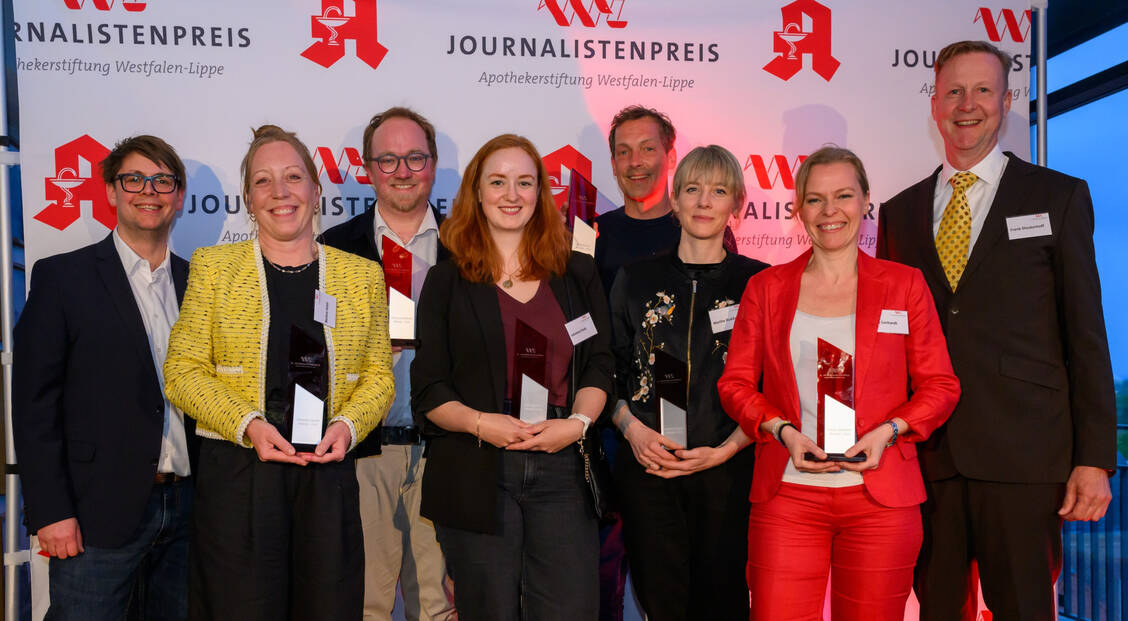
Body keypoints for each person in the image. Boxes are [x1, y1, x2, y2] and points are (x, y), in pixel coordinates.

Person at [877, 40, 1116, 621]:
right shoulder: (898, 212)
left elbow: (1086, 334)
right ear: (934, 104)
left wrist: (1095, 458)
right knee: (934, 609)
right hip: (928, 455)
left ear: (1007, 101)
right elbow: (888, 338)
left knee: (1025, 608)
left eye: (982, 90)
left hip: (1025, 453)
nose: (967, 104)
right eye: (953, 91)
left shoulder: (1058, 196)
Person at [718, 146, 961, 620]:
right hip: (788, 495)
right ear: (798, 209)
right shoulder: (765, 288)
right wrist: (781, 431)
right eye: (815, 199)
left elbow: (941, 386)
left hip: (880, 498)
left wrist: (890, 430)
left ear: (866, 201)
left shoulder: (904, 285)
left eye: (844, 196)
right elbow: (736, 385)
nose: (830, 211)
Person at [164, 125, 394, 619]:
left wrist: (348, 426)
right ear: (248, 197)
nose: (280, 192)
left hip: (327, 473)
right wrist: (247, 424)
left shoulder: (361, 274)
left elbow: (379, 375)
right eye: (263, 181)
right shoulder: (214, 267)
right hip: (241, 473)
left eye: (293, 177)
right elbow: (182, 370)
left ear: (316, 190)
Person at [410, 134, 613, 621]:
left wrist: (578, 425)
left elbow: (600, 364)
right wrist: (483, 424)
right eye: (497, 182)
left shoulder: (576, 274)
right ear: (476, 194)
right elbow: (429, 387)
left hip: (563, 464)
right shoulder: (447, 280)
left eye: (525, 182)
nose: (511, 194)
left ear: (541, 193)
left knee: (571, 611)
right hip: (478, 470)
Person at [13, 135, 196, 620]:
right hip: (96, 512)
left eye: (162, 181)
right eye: (134, 179)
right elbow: (34, 406)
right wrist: (51, 511)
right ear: (111, 192)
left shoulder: (198, 281)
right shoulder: (63, 278)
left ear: (178, 197)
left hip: (189, 509)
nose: (148, 191)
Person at [607, 145, 767, 620]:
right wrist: (632, 431)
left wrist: (728, 449)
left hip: (728, 472)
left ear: (736, 204)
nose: (703, 201)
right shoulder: (633, 279)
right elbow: (605, 369)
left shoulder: (760, 283)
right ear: (674, 200)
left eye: (718, 191)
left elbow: (773, 385)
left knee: (726, 605)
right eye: (692, 189)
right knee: (663, 606)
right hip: (649, 471)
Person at [320, 106, 456, 621]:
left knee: (437, 602)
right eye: (389, 159)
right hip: (364, 448)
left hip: (445, 448)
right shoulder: (333, 247)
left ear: (434, 164)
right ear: (368, 168)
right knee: (365, 603)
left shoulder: (468, 245)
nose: (402, 171)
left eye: (415, 158)